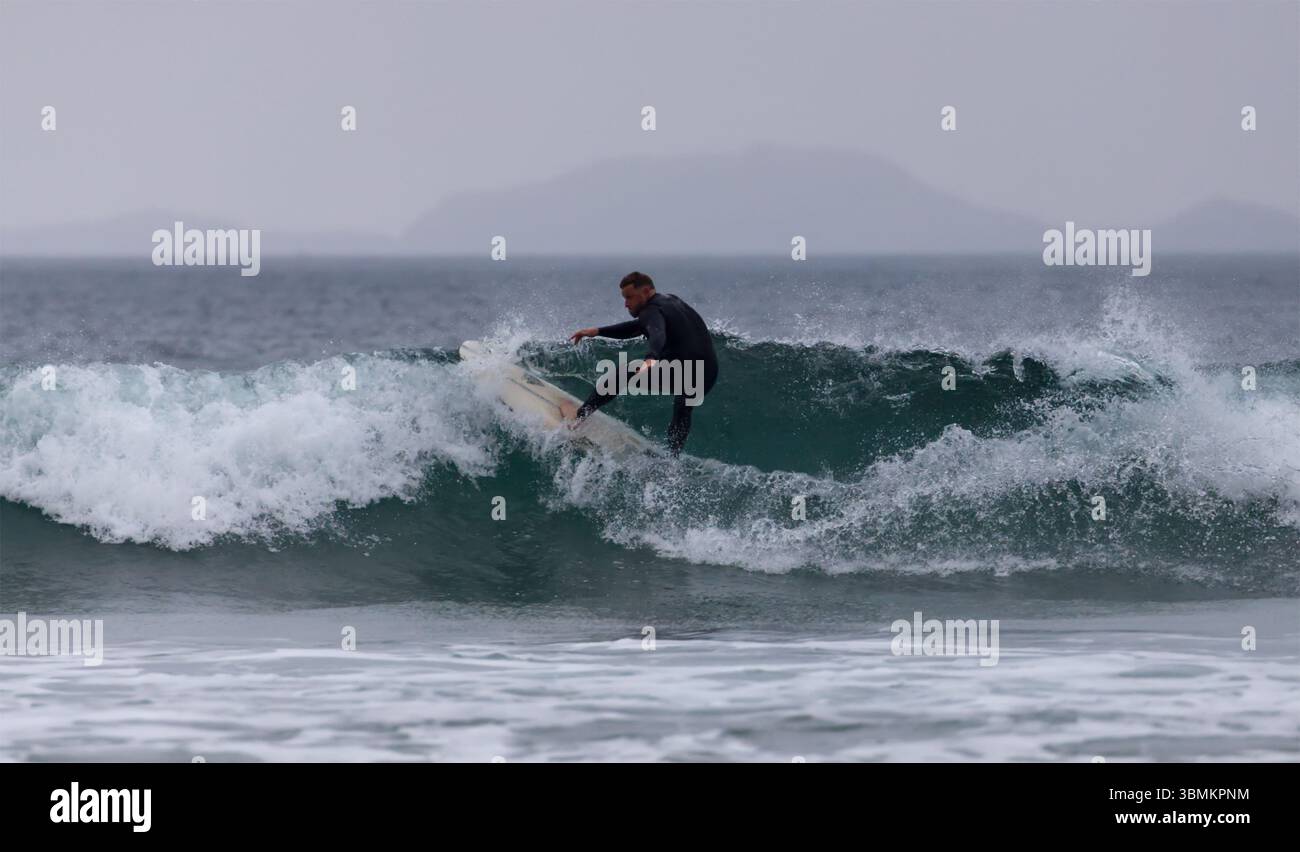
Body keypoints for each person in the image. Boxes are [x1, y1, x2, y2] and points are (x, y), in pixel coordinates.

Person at [568, 271, 718, 454]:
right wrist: (598, 331)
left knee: (623, 373)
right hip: (707, 372)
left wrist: (651, 357)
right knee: (683, 409)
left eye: (629, 297)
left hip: (684, 370)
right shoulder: (670, 300)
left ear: (646, 291)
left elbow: (657, 332)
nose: (626, 303)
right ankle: (673, 460)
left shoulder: (650, 311)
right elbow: (639, 327)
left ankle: (579, 418)